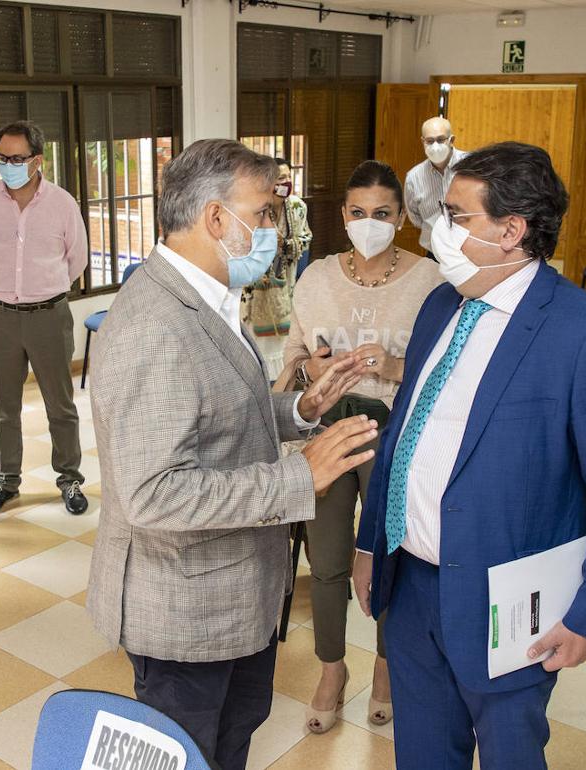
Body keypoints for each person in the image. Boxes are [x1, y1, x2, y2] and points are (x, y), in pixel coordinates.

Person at [353, 142, 586, 769]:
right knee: (422, 754)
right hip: (412, 586)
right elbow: (404, 438)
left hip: (507, 602)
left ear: (512, 230)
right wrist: (369, 544)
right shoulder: (442, 304)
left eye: (457, 217)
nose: (437, 230)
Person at [86, 138, 378, 770]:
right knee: (192, 753)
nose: (274, 228)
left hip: (233, 595)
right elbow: (151, 492)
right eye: (266, 213)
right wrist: (299, 475)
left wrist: (299, 408)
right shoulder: (154, 326)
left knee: (233, 738)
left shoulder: (209, 297)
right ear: (217, 218)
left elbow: (215, 413)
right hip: (184, 613)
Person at [283, 159, 442, 734]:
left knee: (389, 558)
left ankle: (384, 665)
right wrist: (311, 371)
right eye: (358, 213)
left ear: (400, 217)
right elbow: (291, 365)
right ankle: (331, 670)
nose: (368, 223)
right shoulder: (316, 277)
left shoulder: (429, 281)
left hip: (393, 434)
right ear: (342, 215)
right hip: (328, 432)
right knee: (326, 560)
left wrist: (396, 365)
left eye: (381, 214)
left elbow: (447, 370)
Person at [0, 120, 89, 517]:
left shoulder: (62, 204)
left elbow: (77, 259)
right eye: (1, 157)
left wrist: (44, 289)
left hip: (48, 316)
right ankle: (5, 480)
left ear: (37, 160)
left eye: (16, 158)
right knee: (4, 407)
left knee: (61, 404)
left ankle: (69, 479)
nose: (7, 164)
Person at [242, 157, 312, 372]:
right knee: (257, 350)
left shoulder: (298, 207)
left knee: (284, 346)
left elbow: (306, 238)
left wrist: (286, 243)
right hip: (256, 290)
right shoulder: (253, 208)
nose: (286, 182)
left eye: (288, 177)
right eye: (281, 178)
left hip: (286, 285)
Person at [404, 116, 469, 259]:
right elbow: (415, 217)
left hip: (470, 251)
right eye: (429, 141)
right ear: (423, 142)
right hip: (435, 253)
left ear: (451, 140)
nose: (435, 146)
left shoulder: (473, 166)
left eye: (440, 140)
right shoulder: (413, 178)